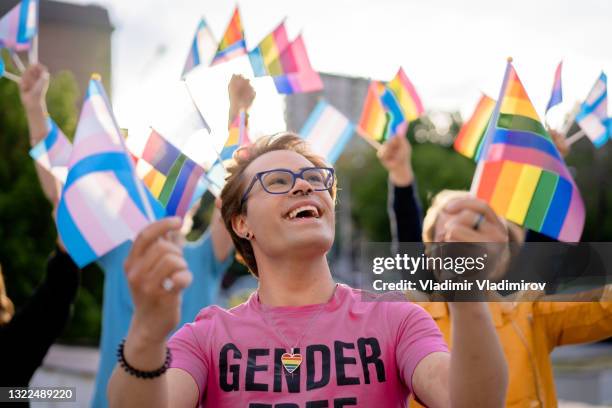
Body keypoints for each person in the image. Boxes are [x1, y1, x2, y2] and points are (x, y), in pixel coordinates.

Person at [107, 133, 508, 407]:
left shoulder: (398, 320)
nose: (304, 187)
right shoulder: (206, 337)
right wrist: (146, 331)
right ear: (241, 223)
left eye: (316, 180)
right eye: (278, 181)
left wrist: (468, 296)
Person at [18, 65, 248, 407]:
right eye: (154, 191)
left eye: (174, 193)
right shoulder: (121, 251)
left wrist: (238, 114)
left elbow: (235, 192)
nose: (164, 204)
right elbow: (64, 192)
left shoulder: (205, 258)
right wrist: (35, 108)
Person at [378, 132, 612, 407]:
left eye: (477, 229)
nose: (460, 240)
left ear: (503, 251)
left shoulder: (528, 310)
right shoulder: (411, 319)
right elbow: (408, 239)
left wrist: (550, 171)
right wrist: (401, 174)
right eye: (447, 235)